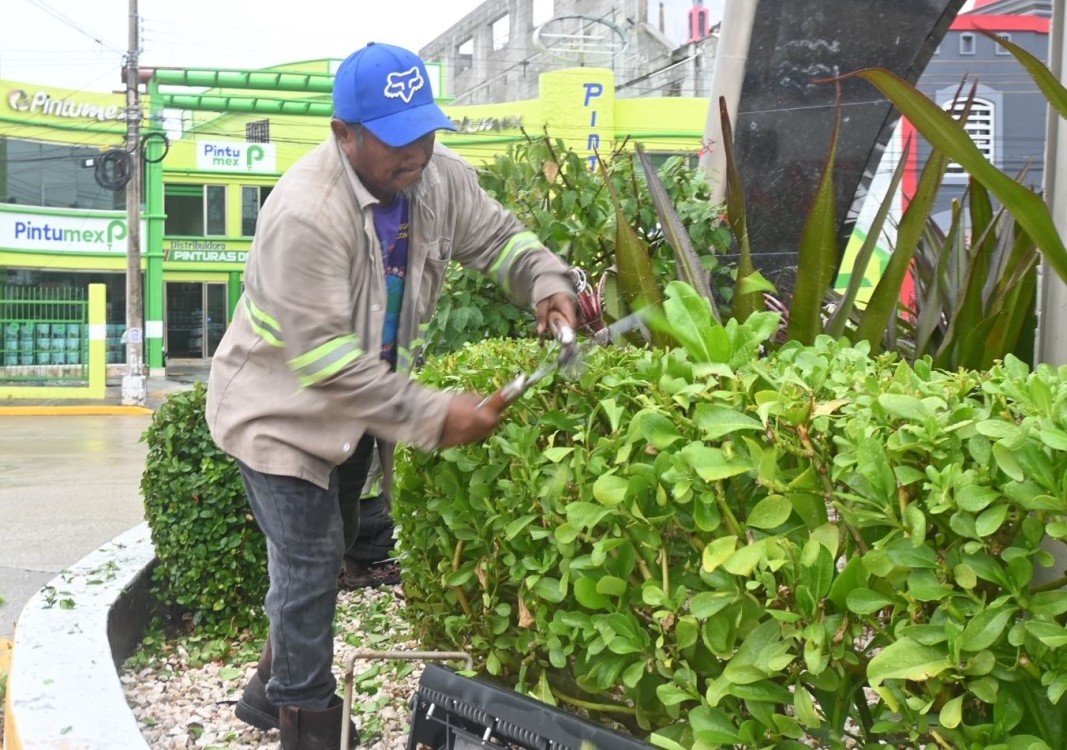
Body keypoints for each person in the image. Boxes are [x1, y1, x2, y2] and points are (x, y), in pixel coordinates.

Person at [206, 41, 578, 750]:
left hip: (354, 417)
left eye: (424, 130)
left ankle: (264, 693)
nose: (415, 152)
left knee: (331, 545)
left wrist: (545, 281)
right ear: (344, 135)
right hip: (277, 416)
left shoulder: (435, 180)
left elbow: (498, 238)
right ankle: (306, 724)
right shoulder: (305, 215)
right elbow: (325, 362)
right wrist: (436, 414)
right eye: (394, 138)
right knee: (313, 560)